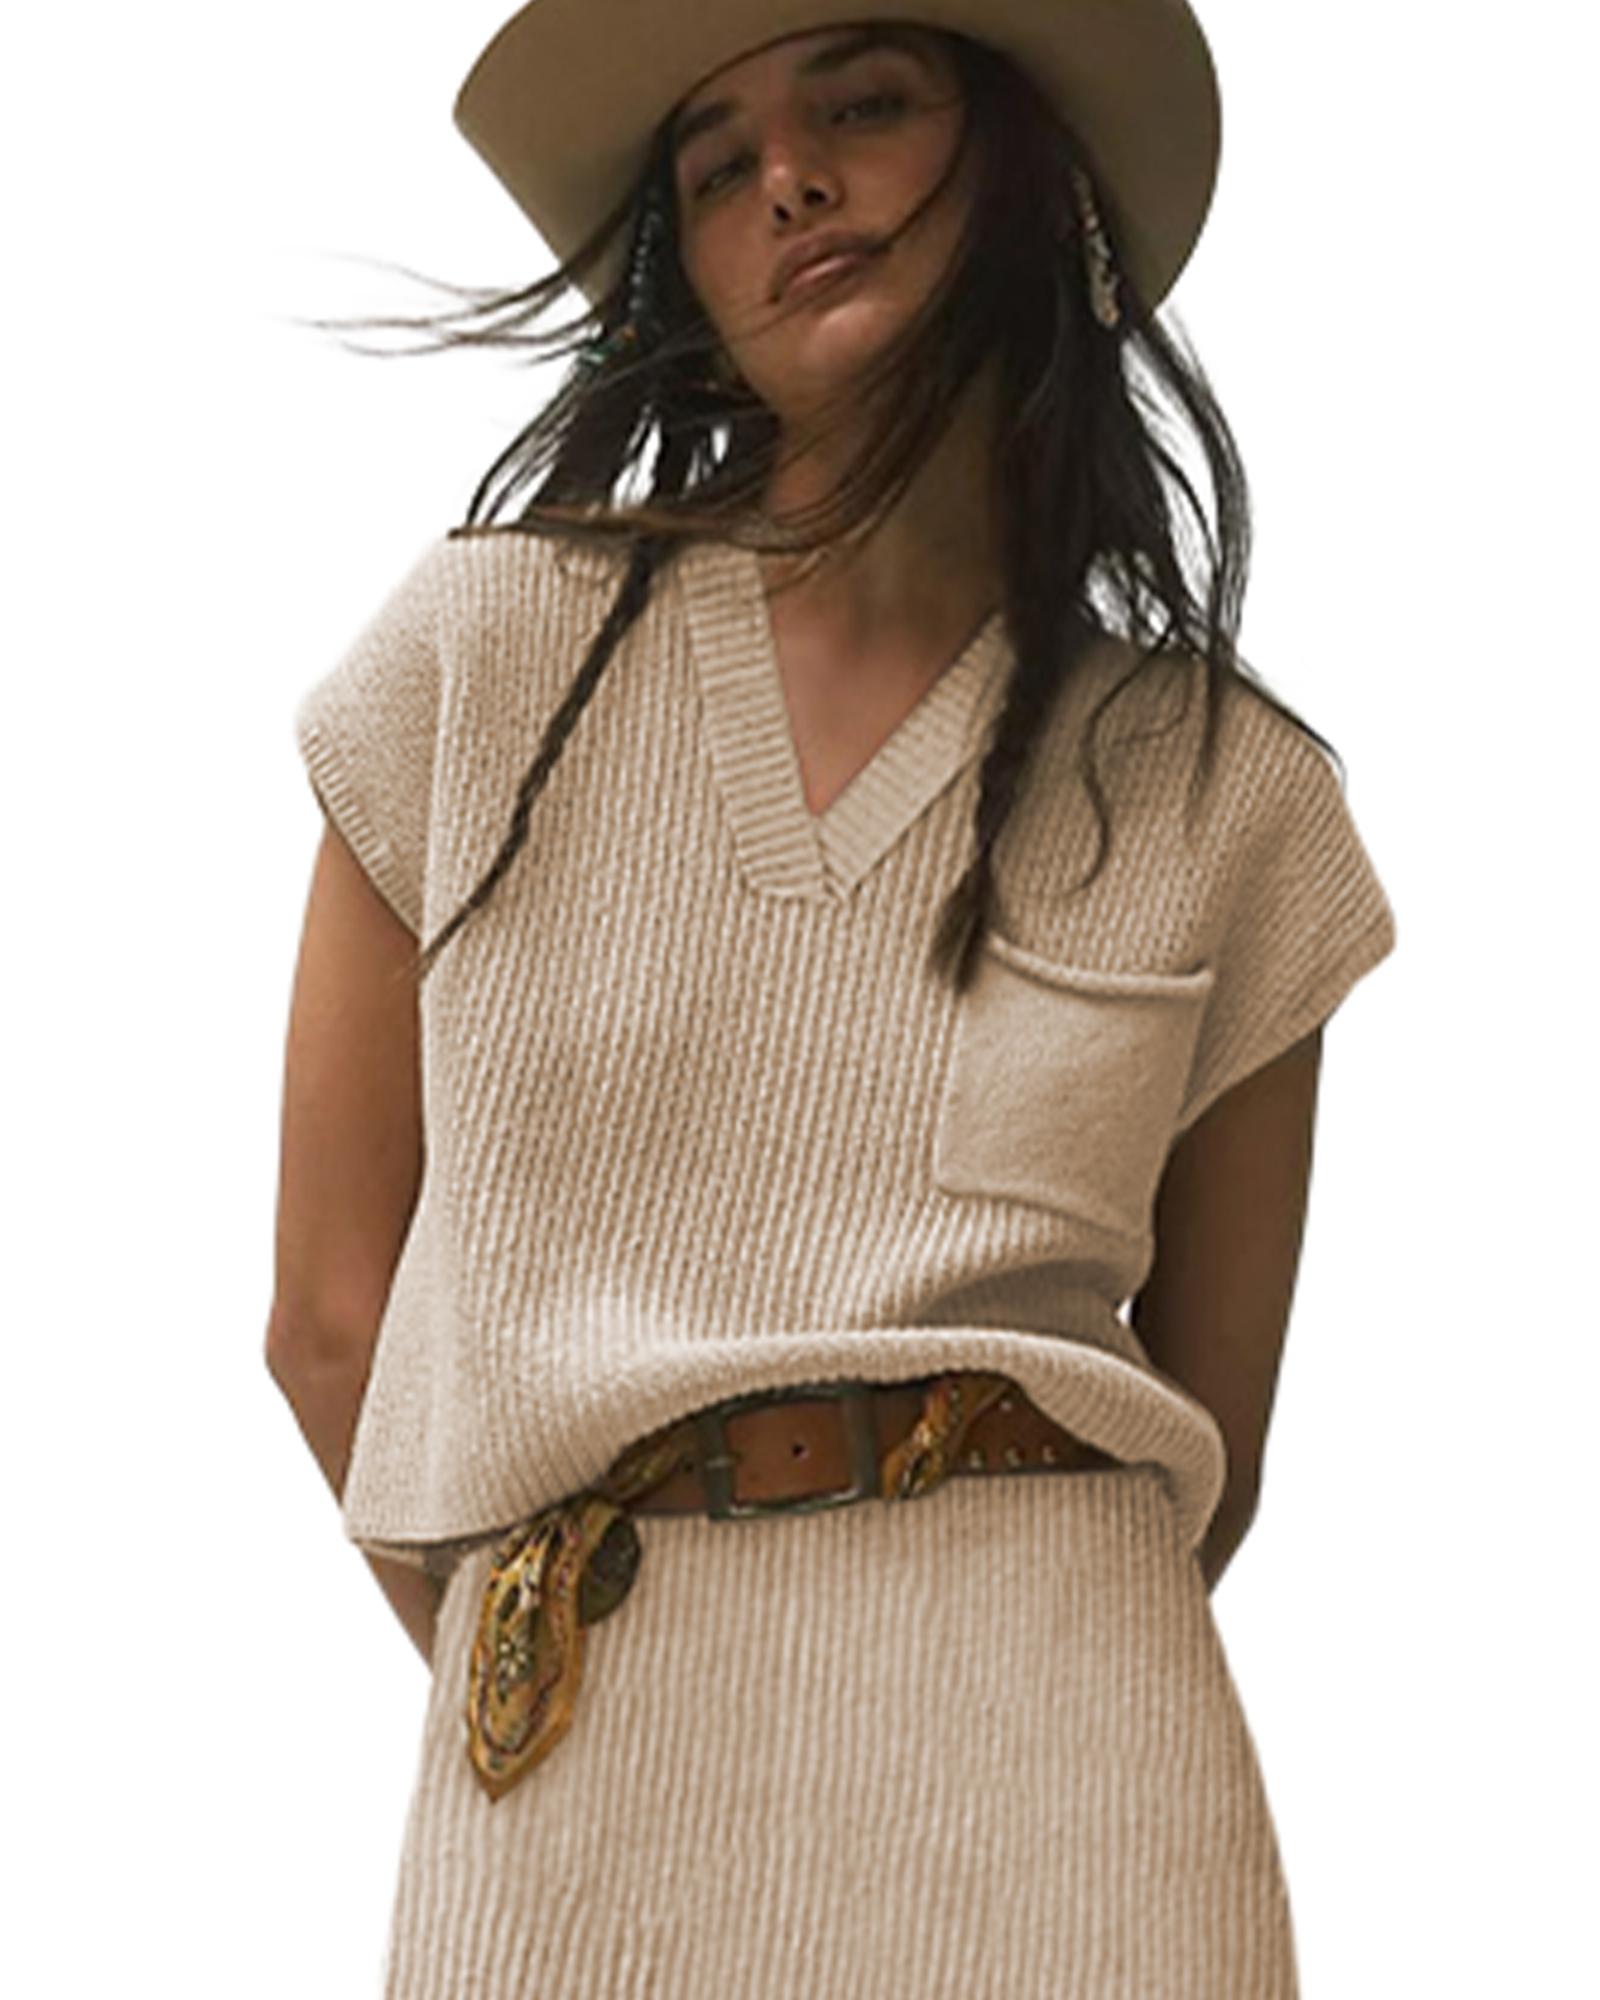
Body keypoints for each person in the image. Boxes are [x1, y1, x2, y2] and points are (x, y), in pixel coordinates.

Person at [267, 3, 1397, 1993]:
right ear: (686, 280)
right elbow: (330, 1327)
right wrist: (581, 1663)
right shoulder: (478, 661)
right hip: (577, 1794)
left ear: (1035, 166)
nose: (789, 179)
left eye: (863, 101)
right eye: (717, 166)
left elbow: (1208, 1435)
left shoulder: (1233, 795)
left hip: (1084, 1796)